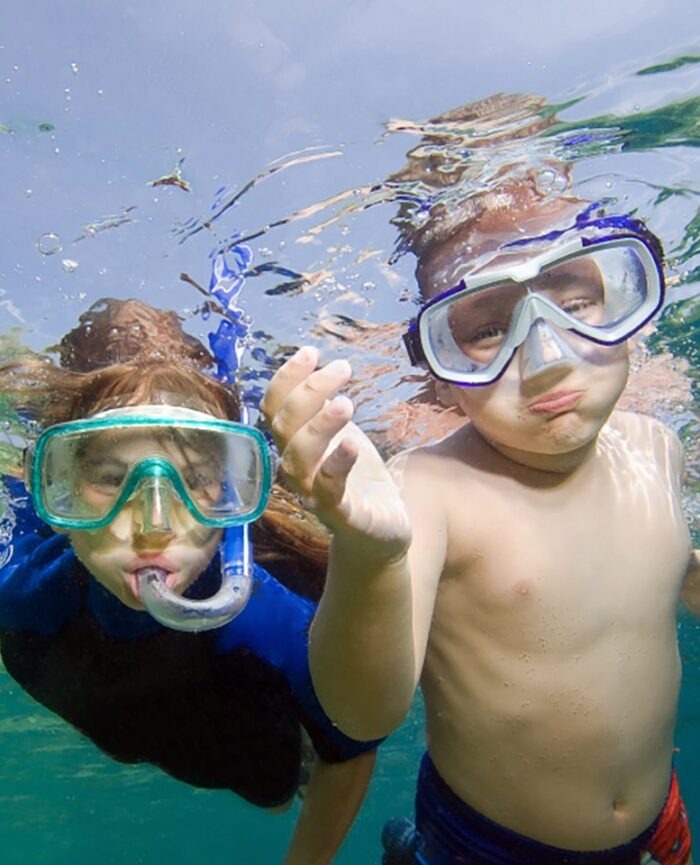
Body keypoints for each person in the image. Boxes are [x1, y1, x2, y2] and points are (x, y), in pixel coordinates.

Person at [262, 99, 699, 864]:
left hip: (652, 816)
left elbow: (672, 583)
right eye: (488, 329)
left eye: (576, 303)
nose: (549, 357)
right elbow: (363, 711)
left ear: (625, 301)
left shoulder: (657, 448)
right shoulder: (428, 489)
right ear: (442, 366)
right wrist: (368, 553)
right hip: (487, 846)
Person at [0, 297, 379, 865]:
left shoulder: (271, 626)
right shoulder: (20, 583)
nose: (153, 525)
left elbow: (349, 750)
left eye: (196, 481)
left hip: (233, 741)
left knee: (273, 790)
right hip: (116, 709)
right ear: (58, 488)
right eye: (109, 478)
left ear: (234, 490)